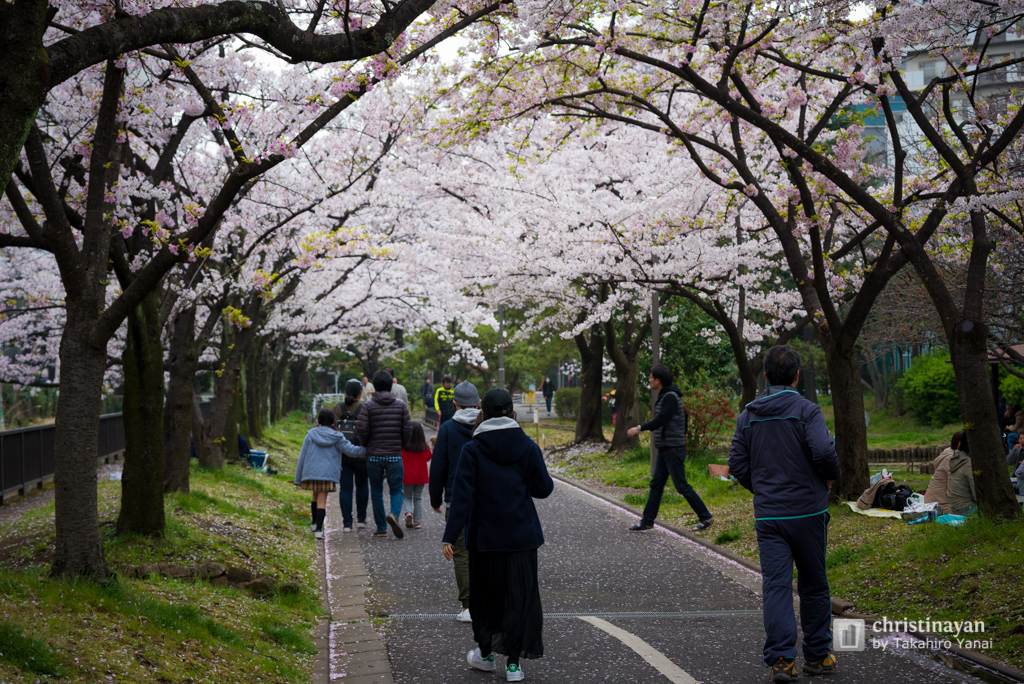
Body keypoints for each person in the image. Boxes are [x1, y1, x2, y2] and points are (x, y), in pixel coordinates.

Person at [728, 345, 841, 681]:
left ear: (765, 376)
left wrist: (762, 489)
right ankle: (818, 656)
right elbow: (822, 450)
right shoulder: (808, 411)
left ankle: (781, 660)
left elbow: (737, 465)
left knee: (776, 586)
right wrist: (829, 478)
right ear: (795, 375)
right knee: (814, 585)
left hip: (769, 516)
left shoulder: (746, 416)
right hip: (808, 512)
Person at [442, 389, 553, 683]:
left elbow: (462, 499)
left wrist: (449, 536)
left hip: (485, 537)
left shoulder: (473, 449)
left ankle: (487, 655)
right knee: (519, 597)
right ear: (511, 411)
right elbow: (543, 489)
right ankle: (514, 665)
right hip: (523, 537)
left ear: (484, 411)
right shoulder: (528, 447)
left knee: (486, 595)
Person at [626, 365, 713, 532]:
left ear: (658, 380)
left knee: (681, 485)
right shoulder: (667, 396)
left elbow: (662, 419)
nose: (649, 380)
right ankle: (647, 521)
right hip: (667, 448)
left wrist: (639, 428)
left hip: (673, 449)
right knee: (656, 485)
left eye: (651, 377)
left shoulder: (670, 397)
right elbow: (683, 417)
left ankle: (705, 516)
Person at [429, 380, 481, 622]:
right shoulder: (487, 426)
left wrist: (435, 498)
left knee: (460, 553)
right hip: (486, 500)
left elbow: (438, 466)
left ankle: (468, 607)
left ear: (455, 403)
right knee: (486, 551)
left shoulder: (448, 428)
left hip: (456, 499)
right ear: (479, 403)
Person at [356, 370, 413, 538]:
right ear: (390, 385)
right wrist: (400, 445)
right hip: (394, 454)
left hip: (374, 455)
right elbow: (407, 428)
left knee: (376, 491)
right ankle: (394, 514)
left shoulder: (368, 406)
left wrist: (366, 444)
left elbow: (362, 428)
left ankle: (381, 527)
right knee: (396, 489)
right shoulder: (401, 405)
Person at [294, 408, 366, 539]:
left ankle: (314, 523)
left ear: (319, 421)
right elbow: (351, 450)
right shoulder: (337, 436)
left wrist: (298, 478)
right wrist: (367, 450)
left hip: (311, 471)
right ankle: (318, 530)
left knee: (315, 496)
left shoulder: (310, 434)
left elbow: (302, 457)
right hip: (327, 473)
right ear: (333, 421)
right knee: (322, 499)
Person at [338, 379, 369, 532]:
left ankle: (347, 523)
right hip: (362, 454)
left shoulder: (337, 408)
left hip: (342, 455)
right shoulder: (365, 408)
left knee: (345, 488)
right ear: (360, 393)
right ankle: (361, 519)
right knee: (362, 485)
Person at [401, 423, 431, 529]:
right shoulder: (424, 446)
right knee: (418, 498)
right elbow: (428, 458)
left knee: (407, 496)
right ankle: (417, 521)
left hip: (407, 475)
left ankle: (408, 513)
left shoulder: (404, 446)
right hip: (421, 475)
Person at [924, 432, 958, 516]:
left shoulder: (949, 455)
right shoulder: (950, 458)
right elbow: (956, 484)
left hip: (934, 501)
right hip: (939, 505)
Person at [947, 433, 978, 516]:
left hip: (955, 507)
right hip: (968, 508)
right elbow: (978, 495)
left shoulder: (957, 458)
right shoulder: (969, 464)